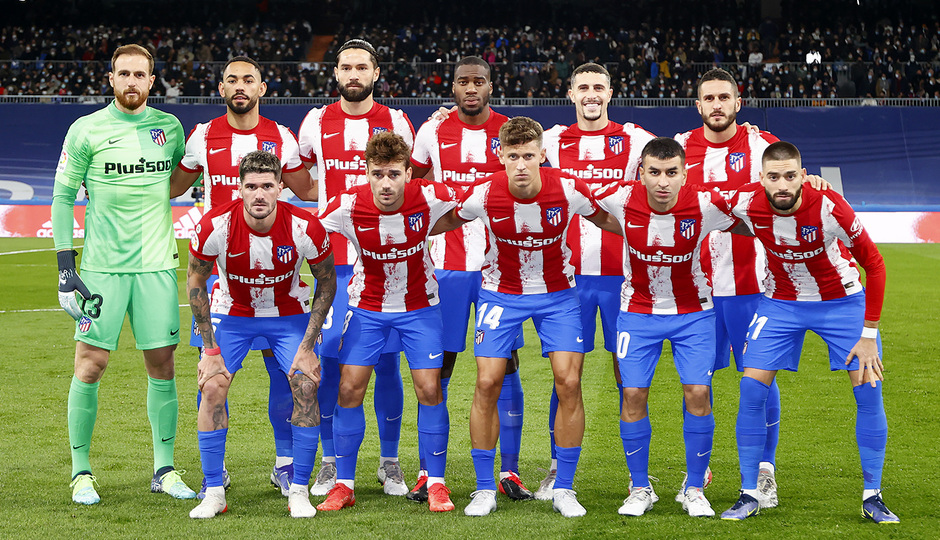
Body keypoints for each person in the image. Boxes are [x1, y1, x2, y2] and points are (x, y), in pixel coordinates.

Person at [435, 116, 619, 518]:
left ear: (543, 155)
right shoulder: (483, 194)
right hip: (501, 293)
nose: (521, 164)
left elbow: (608, 219)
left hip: (558, 296)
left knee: (569, 382)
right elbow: (442, 221)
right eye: (513, 155)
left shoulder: (568, 190)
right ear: (500, 155)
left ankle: (565, 487)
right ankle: (485, 488)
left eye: (529, 156)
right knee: (486, 382)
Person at [721, 141, 897, 524]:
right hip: (781, 303)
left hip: (842, 303)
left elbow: (875, 263)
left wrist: (869, 333)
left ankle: (873, 495)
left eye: (790, 176)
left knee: (868, 388)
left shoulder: (830, 206)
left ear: (803, 176)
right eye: (773, 177)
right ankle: (749, 492)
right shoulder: (747, 202)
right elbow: (700, 203)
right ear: (761, 179)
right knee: (751, 388)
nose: (782, 185)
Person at [53, 43, 195, 504]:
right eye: (123, 74)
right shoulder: (86, 129)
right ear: (111, 79)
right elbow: (62, 198)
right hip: (101, 271)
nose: (132, 81)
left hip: (155, 267)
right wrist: (64, 267)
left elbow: (177, 180)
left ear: (152, 82)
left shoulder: (169, 128)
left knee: (163, 366)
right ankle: (81, 472)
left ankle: (165, 469)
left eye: (140, 75)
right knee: (90, 366)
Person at [169, 55, 316, 499]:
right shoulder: (201, 136)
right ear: (220, 88)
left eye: (248, 79)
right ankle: (216, 474)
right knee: (210, 376)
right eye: (231, 79)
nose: (240, 86)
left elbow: (309, 188)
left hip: (278, 276)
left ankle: (286, 465)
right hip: (224, 276)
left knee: (285, 378)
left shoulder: (282, 137)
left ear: (262, 87)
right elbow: (172, 185)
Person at [593, 137, 741, 518]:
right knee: (633, 395)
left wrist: (811, 185)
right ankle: (639, 487)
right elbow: (573, 193)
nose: (662, 182)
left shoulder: (706, 203)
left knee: (697, 393)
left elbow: (759, 204)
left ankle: (694, 488)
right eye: (654, 172)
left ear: (684, 173)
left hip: (693, 313)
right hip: (638, 312)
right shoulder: (621, 198)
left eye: (671, 173)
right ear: (640, 172)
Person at [186, 150, 336, 519]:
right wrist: (209, 349)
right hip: (232, 313)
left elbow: (327, 282)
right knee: (212, 385)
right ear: (239, 188)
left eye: (267, 186)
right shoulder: (214, 226)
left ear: (281, 188)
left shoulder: (306, 227)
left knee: (305, 384)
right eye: (251, 186)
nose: (259, 194)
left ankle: (299, 490)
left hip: (288, 314)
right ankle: (214, 491)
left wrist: (306, 347)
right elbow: (196, 281)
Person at [314, 132, 456, 513]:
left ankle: (437, 482)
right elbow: (307, 235)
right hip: (367, 308)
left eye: (394, 173)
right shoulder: (346, 205)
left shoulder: (429, 196)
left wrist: (434, 228)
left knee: (429, 389)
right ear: (367, 173)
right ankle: (344, 484)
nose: (386, 182)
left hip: (420, 307)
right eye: (378, 174)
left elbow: (471, 205)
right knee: (349, 389)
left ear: (409, 173)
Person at [409, 56, 531, 501]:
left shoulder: (511, 132)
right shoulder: (432, 131)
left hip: (501, 266)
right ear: (453, 87)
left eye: (479, 81)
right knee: (437, 368)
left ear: (491, 85)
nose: (472, 88)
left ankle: (510, 472)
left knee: (506, 368)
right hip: (445, 266)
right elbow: (411, 181)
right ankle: (428, 473)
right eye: (464, 82)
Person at [298, 39, 412, 497]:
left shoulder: (395, 120)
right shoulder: (315, 121)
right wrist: (328, 204)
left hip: (384, 263)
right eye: (345, 67)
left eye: (361, 67)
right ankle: (330, 461)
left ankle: (389, 461)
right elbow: (303, 180)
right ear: (336, 73)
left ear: (376, 73)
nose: (353, 74)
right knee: (327, 361)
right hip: (333, 265)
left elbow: (410, 180)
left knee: (385, 363)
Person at [536, 62, 655, 499]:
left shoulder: (636, 140)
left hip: (624, 279)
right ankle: (555, 468)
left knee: (631, 378)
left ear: (610, 93)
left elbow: (683, 159)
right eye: (582, 87)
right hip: (567, 281)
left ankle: (636, 478)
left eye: (598, 87)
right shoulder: (549, 140)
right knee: (565, 378)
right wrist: (439, 119)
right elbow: (504, 146)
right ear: (570, 94)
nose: (591, 94)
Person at [674, 67, 781, 506]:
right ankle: (696, 473)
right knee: (695, 382)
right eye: (709, 98)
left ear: (739, 103)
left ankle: (764, 470)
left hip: (753, 284)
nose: (717, 105)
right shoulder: (679, 148)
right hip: (694, 287)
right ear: (698, 106)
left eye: (725, 97)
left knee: (758, 381)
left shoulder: (762, 145)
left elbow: (790, 193)